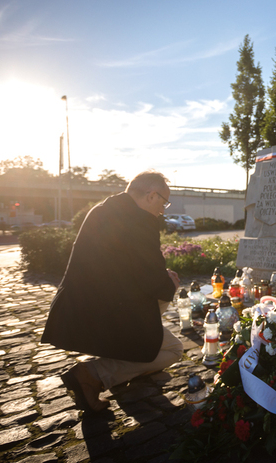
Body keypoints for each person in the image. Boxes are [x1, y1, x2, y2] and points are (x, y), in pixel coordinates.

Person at [41, 171, 183, 412]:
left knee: (161, 300)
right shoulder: (139, 220)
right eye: (163, 202)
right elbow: (151, 279)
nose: (163, 210)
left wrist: (161, 277)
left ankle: (121, 366)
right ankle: (93, 374)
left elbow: (129, 268)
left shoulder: (102, 209)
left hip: (76, 309)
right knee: (173, 349)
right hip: (107, 316)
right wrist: (171, 282)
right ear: (151, 195)